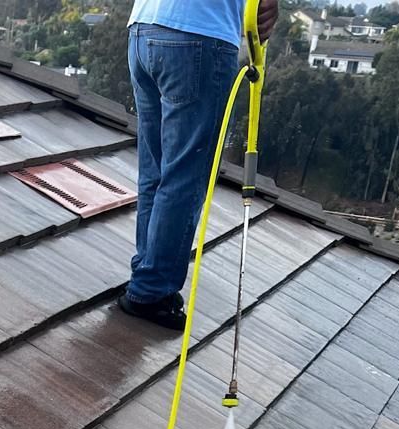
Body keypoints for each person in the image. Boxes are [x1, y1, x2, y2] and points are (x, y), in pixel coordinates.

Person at [119, 0, 279, 330]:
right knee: (184, 177)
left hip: (143, 30)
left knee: (157, 171)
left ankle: (148, 274)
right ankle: (151, 290)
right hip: (199, 37)